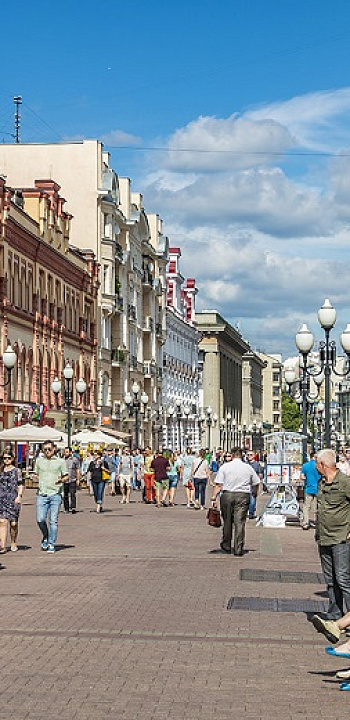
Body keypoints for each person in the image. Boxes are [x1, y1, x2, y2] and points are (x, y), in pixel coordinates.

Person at [312, 448, 350, 623]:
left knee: (343, 579)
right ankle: (335, 613)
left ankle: (349, 618)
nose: (315, 467)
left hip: (341, 537)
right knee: (330, 579)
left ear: (322, 464)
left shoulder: (344, 482)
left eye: (316, 463)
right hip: (324, 536)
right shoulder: (322, 482)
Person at [211, 446, 260, 556]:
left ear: (232, 455)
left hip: (227, 495)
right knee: (240, 522)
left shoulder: (225, 467)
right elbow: (256, 482)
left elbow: (219, 484)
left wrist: (214, 497)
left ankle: (227, 544)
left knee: (227, 521)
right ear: (242, 455)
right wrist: (255, 492)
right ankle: (238, 548)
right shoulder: (248, 468)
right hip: (243, 495)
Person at [33, 441, 68, 553]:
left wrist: (61, 480)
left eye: (49, 449)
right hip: (42, 493)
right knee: (40, 519)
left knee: (53, 521)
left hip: (55, 494)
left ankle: (52, 543)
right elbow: (35, 474)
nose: (47, 451)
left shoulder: (60, 462)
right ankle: (46, 535)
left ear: (54, 449)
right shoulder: (39, 461)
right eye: (45, 449)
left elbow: (66, 476)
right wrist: (34, 477)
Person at [0, 448, 24, 553]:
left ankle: (13, 541)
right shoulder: (0, 470)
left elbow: (20, 484)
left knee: (13, 523)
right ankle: (3, 546)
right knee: (2, 521)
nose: (6, 460)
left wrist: (19, 496)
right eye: (4, 458)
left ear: (13, 459)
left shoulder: (16, 471)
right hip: (2, 498)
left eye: (8, 458)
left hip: (13, 498)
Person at [300, 450, 321, 530]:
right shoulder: (319, 466)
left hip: (308, 488)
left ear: (310, 456)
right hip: (318, 488)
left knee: (306, 507)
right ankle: (317, 522)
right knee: (316, 507)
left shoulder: (305, 466)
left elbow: (302, 477)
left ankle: (306, 522)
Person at [63, 446, 81, 514]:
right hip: (64, 480)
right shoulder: (62, 460)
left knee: (72, 493)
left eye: (67, 452)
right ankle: (66, 508)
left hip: (72, 479)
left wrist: (78, 479)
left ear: (71, 452)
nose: (65, 453)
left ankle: (73, 507)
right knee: (65, 495)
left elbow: (78, 470)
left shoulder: (75, 460)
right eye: (65, 452)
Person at [246, 451, 263, 519]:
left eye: (251, 455)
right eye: (248, 455)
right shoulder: (245, 464)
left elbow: (260, 474)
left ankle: (251, 513)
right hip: (245, 484)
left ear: (254, 456)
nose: (249, 456)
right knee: (245, 500)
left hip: (253, 485)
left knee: (252, 500)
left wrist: (258, 479)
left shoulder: (257, 464)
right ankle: (246, 512)